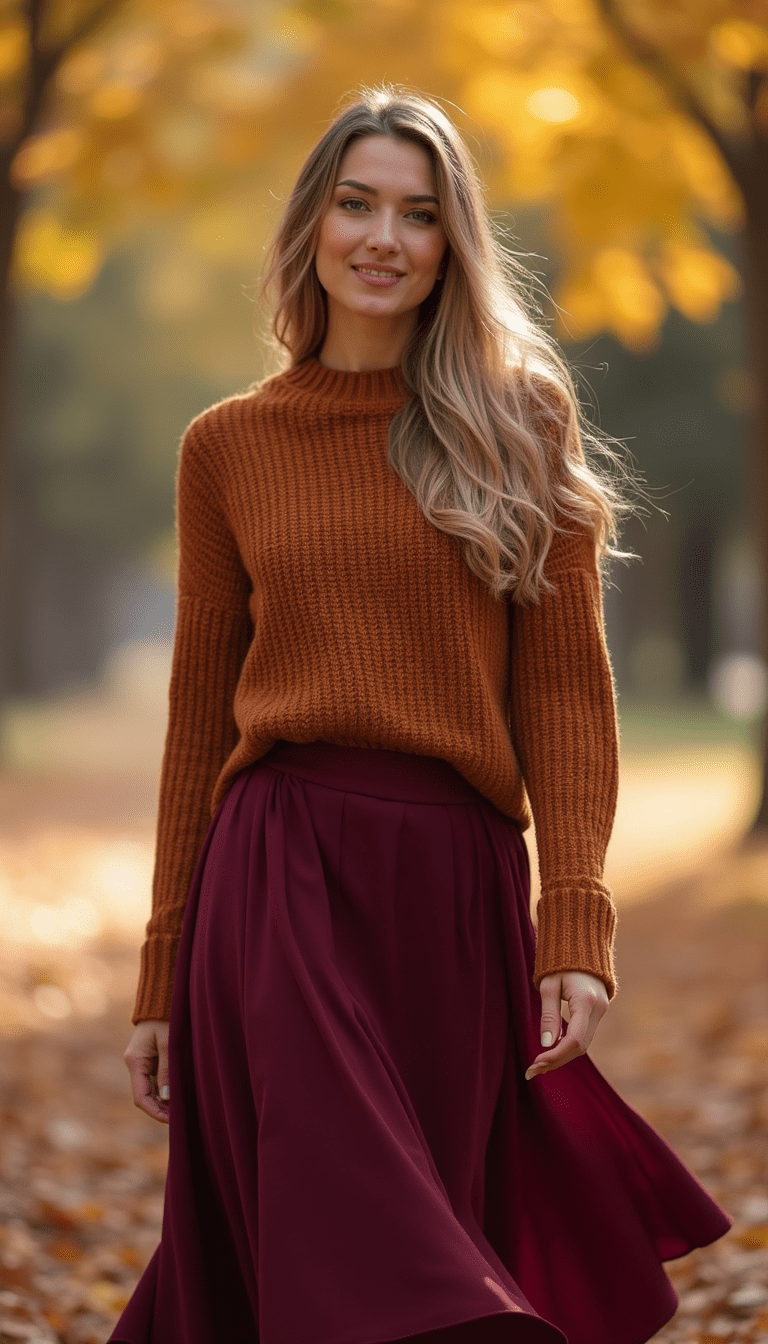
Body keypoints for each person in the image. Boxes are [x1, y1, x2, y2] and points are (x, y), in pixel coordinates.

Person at [109, 85, 731, 1344]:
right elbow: (195, 719)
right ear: (312, 225)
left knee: (431, 1216)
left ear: (456, 243)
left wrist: (576, 923)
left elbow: (564, 686)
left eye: (419, 212)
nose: (382, 238)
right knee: (365, 1247)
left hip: (452, 889)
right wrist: (164, 966)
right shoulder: (226, 446)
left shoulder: (517, 424)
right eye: (356, 204)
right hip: (275, 876)